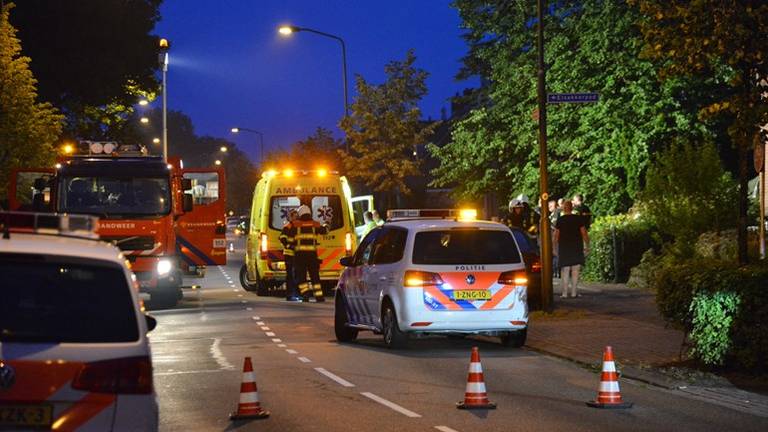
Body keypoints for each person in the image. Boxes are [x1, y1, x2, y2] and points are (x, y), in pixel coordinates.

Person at [291, 204, 328, 302]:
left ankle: (305, 295)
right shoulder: (315, 224)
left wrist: (290, 246)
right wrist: (326, 225)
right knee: (315, 277)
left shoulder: (295, 225)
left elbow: (289, 237)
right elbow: (324, 231)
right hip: (312, 256)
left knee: (301, 277)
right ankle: (319, 297)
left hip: (300, 256)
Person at [554, 200, 589, 298]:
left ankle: (564, 293)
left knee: (565, 270)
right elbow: (584, 233)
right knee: (575, 271)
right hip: (576, 247)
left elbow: (556, 236)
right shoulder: (578, 219)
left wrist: (554, 248)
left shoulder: (560, 220)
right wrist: (587, 245)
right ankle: (574, 293)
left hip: (564, 247)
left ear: (564, 208)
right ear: (572, 208)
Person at [279, 209, 301, 302]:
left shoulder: (298, 226)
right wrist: (289, 246)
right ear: (291, 217)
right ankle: (289, 294)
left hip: (297, 254)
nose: (296, 218)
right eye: (294, 216)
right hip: (289, 254)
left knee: (297, 275)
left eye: (297, 216)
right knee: (290, 275)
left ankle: (295, 294)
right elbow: (282, 238)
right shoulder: (287, 226)